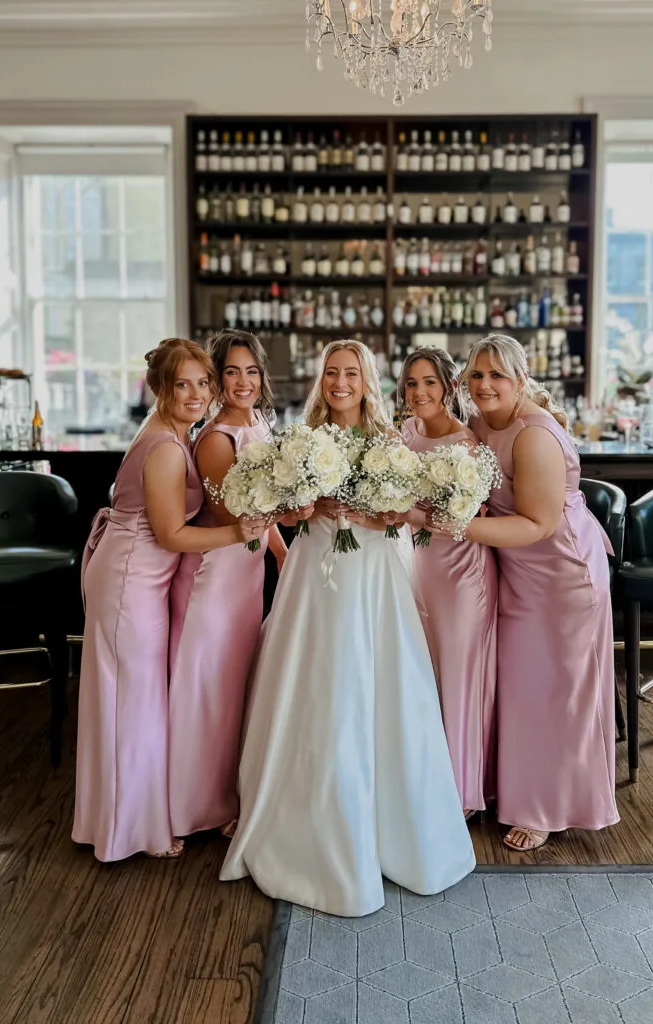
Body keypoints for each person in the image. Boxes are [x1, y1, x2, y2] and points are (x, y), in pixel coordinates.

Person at [219, 340, 476, 916]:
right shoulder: (297, 439)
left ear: (367, 381)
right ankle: (308, 827)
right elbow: (283, 513)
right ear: (321, 380)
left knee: (383, 682)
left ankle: (396, 832)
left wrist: (381, 511)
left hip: (374, 572)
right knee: (319, 681)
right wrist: (297, 507)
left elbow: (402, 515)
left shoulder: (391, 442)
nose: (340, 382)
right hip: (317, 571)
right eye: (332, 373)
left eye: (351, 373)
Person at [73, 338, 264, 862]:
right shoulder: (162, 447)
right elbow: (172, 534)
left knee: (137, 702)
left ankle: (130, 818)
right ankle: (124, 832)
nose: (196, 394)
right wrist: (238, 534)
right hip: (130, 579)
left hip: (144, 578)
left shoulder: (175, 435)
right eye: (182, 384)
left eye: (204, 382)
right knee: (125, 704)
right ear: (159, 388)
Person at [427, 333, 618, 852]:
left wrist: (458, 525)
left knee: (557, 690)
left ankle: (550, 806)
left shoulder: (534, 436)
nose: (484, 385)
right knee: (521, 686)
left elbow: (536, 523)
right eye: (477, 375)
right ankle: (510, 787)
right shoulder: (482, 425)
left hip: (561, 574)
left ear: (521, 380)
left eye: (497, 376)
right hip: (516, 570)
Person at [168, 330, 292, 841]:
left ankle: (226, 795)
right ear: (217, 379)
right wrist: (296, 502)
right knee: (208, 689)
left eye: (251, 371)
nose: (243, 382)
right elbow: (233, 514)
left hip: (247, 574)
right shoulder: (217, 438)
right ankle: (191, 807)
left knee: (236, 687)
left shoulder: (259, 422)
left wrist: (285, 557)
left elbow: (265, 528)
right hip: (216, 578)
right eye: (232, 372)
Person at [398, 347, 498, 819]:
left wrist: (406, 512)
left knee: (459, 676)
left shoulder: (467, 447)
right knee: (428, 675)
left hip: (461, 574)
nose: (419, 393)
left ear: (449, 388)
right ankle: (430, 777)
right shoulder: (407, 432)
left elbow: (456, 520)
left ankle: (461, 795)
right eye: (412, 383)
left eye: (429, 383)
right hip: (420, 568)